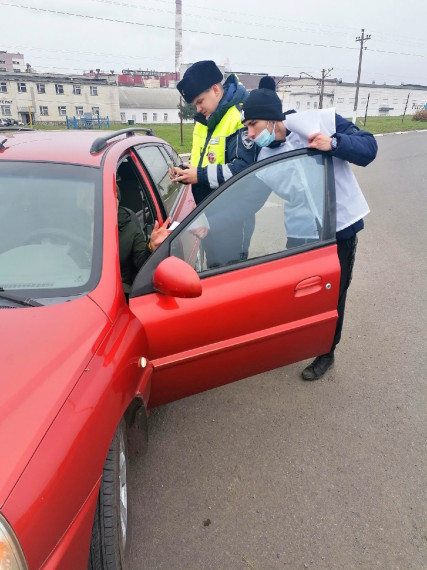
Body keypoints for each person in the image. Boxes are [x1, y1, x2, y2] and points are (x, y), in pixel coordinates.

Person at [240, 84, 378, 381]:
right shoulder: (263, 156)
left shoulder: (317, 122)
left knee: (334, 294)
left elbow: (369, 148)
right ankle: (297, 342)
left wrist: (335, 143)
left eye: (253, 124)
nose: (250, 133)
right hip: (301, 234)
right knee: (298, 294)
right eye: (247, 127)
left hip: (339, 228)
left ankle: (326, 352)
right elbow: (247, 200)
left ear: (273, 118)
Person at [171, 60, 256, 205]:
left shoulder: (238, 118)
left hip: (232, 213)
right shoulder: (204, 121)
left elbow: (243, 170)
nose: (197, 109)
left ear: (216, 90)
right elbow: (200, 161)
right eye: (194, 105)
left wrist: (199, 175)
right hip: (207, 209)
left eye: (200, 101)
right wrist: (184, 171)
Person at [116, 184, 170, 297]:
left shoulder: (129, 229)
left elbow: (142, 264)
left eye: (113, 198)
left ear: (117, 202)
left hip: (118, 294)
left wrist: (152, 247)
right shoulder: (73, 227)